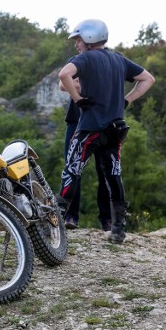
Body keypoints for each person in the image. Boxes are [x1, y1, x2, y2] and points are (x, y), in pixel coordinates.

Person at [57, 19, 155, 243]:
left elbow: (63, 76)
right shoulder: (119, 59)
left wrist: (79, 100)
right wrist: (126, 101)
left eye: (79, 40)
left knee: (72, 171)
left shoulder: (85, 58)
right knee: (113, 176)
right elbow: (148, 79)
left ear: (90, 38)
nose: (76, 44)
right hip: (114, 130)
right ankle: (118, 229)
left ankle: (57, 220)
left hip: (89, 128)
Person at [61, 82, 112, 231]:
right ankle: (71, 216)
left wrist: (78, 85)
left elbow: (113, 87)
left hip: (104, 123)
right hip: (76, 122)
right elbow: (63, 84)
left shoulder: (113, 60)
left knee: (105, 172)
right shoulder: (78, 60)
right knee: (72, 170)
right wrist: (95, 88)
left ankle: (107, 218)